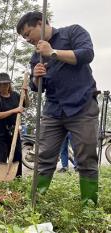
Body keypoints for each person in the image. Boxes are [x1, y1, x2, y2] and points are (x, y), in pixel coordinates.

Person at [17, 11, 99, 205]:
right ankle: (36, 201)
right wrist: (37, 76)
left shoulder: (72, 33)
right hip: (53, 111)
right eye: (24, 37)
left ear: (40, 23)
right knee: (44, 157)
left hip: (82, 107)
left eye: (28, 34)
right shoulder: (35, 56)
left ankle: (89, 204)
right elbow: (39, 89)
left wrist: (52, 52)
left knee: (86, 158)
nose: (27, 39)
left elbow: (87, 54)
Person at [0, 73, 28, 178]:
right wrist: (14, 110)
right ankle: (1, 178)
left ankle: (17, 178)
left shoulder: (16, 95)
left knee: (17, 155)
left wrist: (26, 93)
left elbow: (25, 104)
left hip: (13, 130)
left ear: (9, 84)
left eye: (5, 84)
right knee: (1, 156)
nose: (3, 87)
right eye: (0, 85)